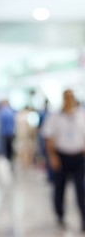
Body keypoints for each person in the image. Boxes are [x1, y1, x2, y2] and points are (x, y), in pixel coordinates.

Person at [42, 89, 85, 231]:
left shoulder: (81, 115)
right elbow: (48, 138)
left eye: (71, 97)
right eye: (67, 97)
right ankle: (60, 215)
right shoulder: (55, 117)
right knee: (60, 188)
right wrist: (52, 156)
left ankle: (83, 218)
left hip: (78, 157)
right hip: (62, 157)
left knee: (81, 189)